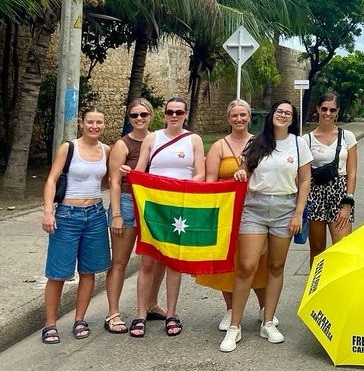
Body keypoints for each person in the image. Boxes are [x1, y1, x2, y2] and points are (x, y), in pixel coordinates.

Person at [220, 100, 311, 352]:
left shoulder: (298, 143)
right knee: (247, 265)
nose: (283, 116)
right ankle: (234, 327)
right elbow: (244, 168)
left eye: (288, 113)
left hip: (285, 208)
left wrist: (298, 214)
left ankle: (268, 321)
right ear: (272, 115)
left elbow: (304, 181)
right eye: (279, 112)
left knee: (275, 266)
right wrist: (240, 172)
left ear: (293, 119)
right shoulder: (256, 142)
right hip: (255, 207)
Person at [195, 100, 277, 331]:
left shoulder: (262, 143)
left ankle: (264, 310)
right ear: (228, 118)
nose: (239, 119)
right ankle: (231, 309)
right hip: (227, 211)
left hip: (258, 209)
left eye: (243, 115)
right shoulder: (220, 146)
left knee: (260, 260)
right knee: (230, 261)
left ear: (250, 117)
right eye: (234, 115)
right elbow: (210, 180)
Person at [129, 97, 206, 337]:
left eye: (179, 112)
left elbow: (201, 174)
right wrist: (130, 175)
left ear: (185, 114)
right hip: (154, 207)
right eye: (170, 111)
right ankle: (141, 314)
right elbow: (141, 169)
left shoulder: (194, 139)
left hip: (179, 208)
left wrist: (181, 190)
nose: (174, 115)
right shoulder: (153, 138)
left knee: (174, 262)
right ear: (164, 114)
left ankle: (171, 313)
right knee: (148, 261)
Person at [40, 107, 111, 344]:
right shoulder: (69, 147)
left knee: (88, 271)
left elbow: (109, 180)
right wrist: (48, 212)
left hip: (95, 215)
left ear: (104, 125)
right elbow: (51, 179)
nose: (94, 126)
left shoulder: (106, 150)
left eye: (99, 122)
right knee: (58, 272)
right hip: (67, 215)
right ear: (82, 123)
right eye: (90, 122)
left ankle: (80, 319)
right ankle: (50, 324)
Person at [105, 99, 167, 334]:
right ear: (129, 118)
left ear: (151, 116)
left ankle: (151, 303)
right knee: (120, 261)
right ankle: (113, 312)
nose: (139, 119)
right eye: (134, 115)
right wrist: (117, 215)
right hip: (127, 203)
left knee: (159, 258)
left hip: (153, 205)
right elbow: (113, 181)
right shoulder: (123, 144)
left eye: (143, 114)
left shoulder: (157, 140)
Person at [303, 93, 358, 266]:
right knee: (317, 250)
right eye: (324, 109)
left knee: (342, 248)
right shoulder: (307, 140)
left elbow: (352, 171)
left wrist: (347, 203)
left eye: (332, 110)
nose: (328, 113)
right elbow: (303, 174)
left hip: (340, 193)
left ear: (337, 112)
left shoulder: (346, 136)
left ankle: (342, 291)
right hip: (316, 194)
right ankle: (317, 289)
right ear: (318, 109)